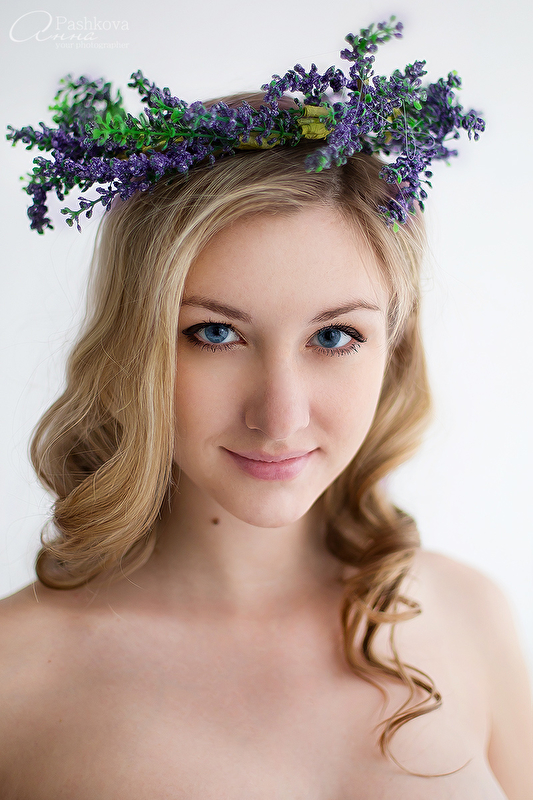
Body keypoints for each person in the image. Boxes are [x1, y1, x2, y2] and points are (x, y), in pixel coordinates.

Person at [2, 18, 532, 799]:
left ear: (392, 348)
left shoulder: (469, 615)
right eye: (214, 333)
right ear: (133, 344)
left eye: (334, 336)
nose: (279, 417)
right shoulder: (15, 679)